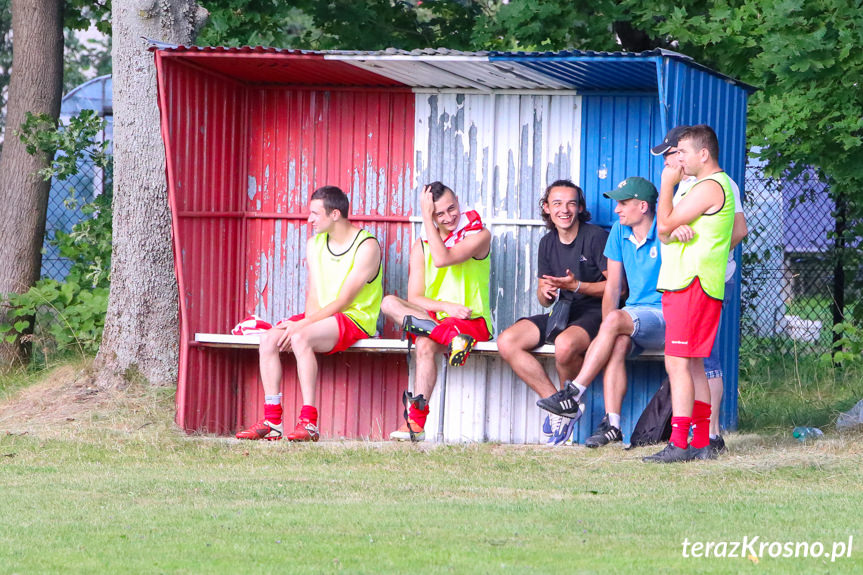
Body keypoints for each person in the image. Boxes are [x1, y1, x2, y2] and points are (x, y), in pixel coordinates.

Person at [236, 186, 382, 442]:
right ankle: (272, 421)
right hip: (321, 317)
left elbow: (344, 300)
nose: (309, 219)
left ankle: (309, 423)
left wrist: (303, 327)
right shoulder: (315, 244)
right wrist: (304, 322)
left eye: (315, 213)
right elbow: (314, 292)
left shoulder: (366, 246)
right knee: (268, 339)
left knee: (300, 337)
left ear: (335, 214)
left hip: (355, 318)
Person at [535, 177, 665, 448]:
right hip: (634, 316)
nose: (617, 209)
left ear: (643, 206)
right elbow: (614, 287)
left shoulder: (665, 232)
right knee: (616, 340)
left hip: (665, 315)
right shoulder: (619, 231)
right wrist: (607, 328)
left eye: (623, 203)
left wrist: (611, 321)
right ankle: (613, 426)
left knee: (616, 320)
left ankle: (573, 393)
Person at [651, 126, 748, 455]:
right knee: (692, 365)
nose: (678, 160)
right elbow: (665, 232)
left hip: (693, 283)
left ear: (703, 154)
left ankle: (679, 443)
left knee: (677, 364)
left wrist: (665, 185)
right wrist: (671, 227)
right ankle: (703, 442)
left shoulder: (709, 186)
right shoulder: (703, 187)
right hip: (690, 282)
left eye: (683, 153)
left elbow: (662, 224)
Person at [497, 180, 608, 446]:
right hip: (563, 310)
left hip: (595, 310)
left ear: (580, 207)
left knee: (564, 345)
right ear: (546, 208)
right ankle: (562, 405)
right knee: (507, 341)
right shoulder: (547, 243)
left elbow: (617, 288)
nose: (564, 210)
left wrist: (577, 286)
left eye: (571, 203)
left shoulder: (595, 237)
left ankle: (565, 402)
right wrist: (545, 293)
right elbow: (542, 298)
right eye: (557, 203)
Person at [380, 182, 492, 442]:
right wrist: (444, 307)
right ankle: (417, 428)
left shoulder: (478, 234)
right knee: (388, 303)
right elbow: (415, 298)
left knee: (423, 342)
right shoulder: (421, 245)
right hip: (438, 322)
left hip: (471, 322)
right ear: (431, 216)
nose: (448, 217)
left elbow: (443, 258)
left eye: (452, 209)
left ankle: (415, 422)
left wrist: (426, 218)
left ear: (459, 201)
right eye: (438, 214)